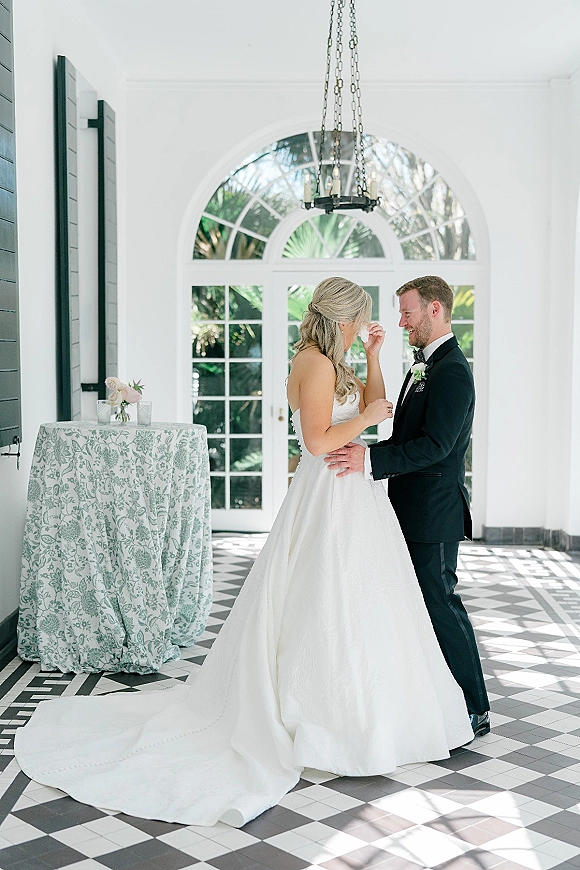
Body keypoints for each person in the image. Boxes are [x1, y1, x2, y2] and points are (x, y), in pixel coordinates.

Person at [14, 277, 473, 828]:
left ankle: (374, 710)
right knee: (321, 595)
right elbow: (319, 440)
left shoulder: (335, 359)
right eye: (361, 325)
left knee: (365, 597)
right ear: (342, 318)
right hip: (328, 486)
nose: (362, 333)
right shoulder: (315, 363)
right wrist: (369, 422)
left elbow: (375, 401)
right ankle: (322, 714)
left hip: (353, 490)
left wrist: (374, 359)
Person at [325, 275, 490, 737]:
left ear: (434, 310)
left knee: (440, 602)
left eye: (407, 313)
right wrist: (365, 448)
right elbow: (408, 438)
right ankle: (435, 695)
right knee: (414, 605)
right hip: (408, 506)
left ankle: (476, 706)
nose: (401, 322)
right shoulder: (424, 366)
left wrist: (371, 459)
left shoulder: (452, 370)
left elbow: (438, 445)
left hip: (434, 512)